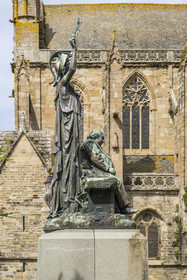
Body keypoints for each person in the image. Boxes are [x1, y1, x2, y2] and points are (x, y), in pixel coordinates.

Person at [48, 34, 82, 218]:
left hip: (71, 134)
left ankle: (72, 199)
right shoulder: (62, 84)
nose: (69, 66)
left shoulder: (65, 88)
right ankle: (69, 200)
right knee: (70, 165)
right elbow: (74, 68)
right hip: (68, 136)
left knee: (73, 165)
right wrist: (74, 49)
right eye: (66, 64)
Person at [81, 130, 138, 214]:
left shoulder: (91, 144)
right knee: (117, 181)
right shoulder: (90, 143)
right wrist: (108, 169)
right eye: (102, 138)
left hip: (94, 171)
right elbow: (96, 158)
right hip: (90, 172)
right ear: (96, 137)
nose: (103, 141)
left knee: (114, 181)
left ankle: (118, 208)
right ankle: (123, 207)